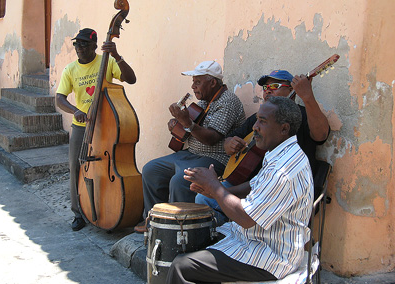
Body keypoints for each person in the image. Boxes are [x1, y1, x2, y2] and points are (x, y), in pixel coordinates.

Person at [167, 96, 313, 283]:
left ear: (284, 129)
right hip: (256, 239)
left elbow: (246, 219)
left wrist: (214, 186)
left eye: (263, 121)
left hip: (271, 255)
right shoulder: (282, 153)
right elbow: (255, 184)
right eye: (257, 119)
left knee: (182, 266)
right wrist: (216, 190)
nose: (255, 127)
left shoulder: (283, 170)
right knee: (195, 236)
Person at [196, 69, 330, 225]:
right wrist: (229, 143)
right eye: (265, 88)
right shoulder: (259, 117)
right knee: (202, 197)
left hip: (273, 194)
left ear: (292, 89)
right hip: (249, 182)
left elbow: (320, 136)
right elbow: (230, 139)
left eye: (274, 85)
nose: (268, 91)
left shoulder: (302, 116)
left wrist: (308, 98)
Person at [134, 61, 245, 233]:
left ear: (213, 82)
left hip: (215, 159)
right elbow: (187, 130)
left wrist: (186, 122)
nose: (193, 86)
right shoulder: (202, 102)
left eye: (197, 82)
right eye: (193, 82)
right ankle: (154, 222)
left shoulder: (228, 101)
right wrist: (176, 125)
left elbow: (211, 138)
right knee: (151, 170)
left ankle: (178, 231)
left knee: (180, 181)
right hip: (190, 153)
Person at [56, 28, 136, 231]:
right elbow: (59, 99)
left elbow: (130, 78)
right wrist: (75, 111)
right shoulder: (70, 70)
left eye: (84, 44)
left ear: (94, 46)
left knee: (107, 166)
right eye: (77, 44)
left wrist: (117, 56)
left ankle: (109, 206)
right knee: (76, 166)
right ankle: (78, 212)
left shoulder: (106, 62)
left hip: (107, 126)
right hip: (83, 127)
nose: (79, 48)